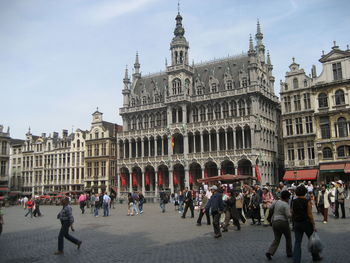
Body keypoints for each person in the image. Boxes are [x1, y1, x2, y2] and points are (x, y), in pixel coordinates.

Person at [292, 185, 322, 263]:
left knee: (297, 242)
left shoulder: (294, 201)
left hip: (297, 223)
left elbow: (292, 212)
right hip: (306, 223)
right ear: (305, 192)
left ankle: (296, 260)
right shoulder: (307, 201)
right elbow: (309, 214)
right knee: (312, 240)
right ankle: (315, 257)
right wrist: (313, 224)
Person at [265, 190, 292, 260]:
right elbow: (289, 215)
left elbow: (270, 208)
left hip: (275, 221)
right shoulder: (286, 205)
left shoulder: (276, 202)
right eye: (288, 198)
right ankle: (289, 253)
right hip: (283, 222)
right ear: (286, 198)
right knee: (288, 238)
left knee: (277, 239)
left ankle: (270, 252)